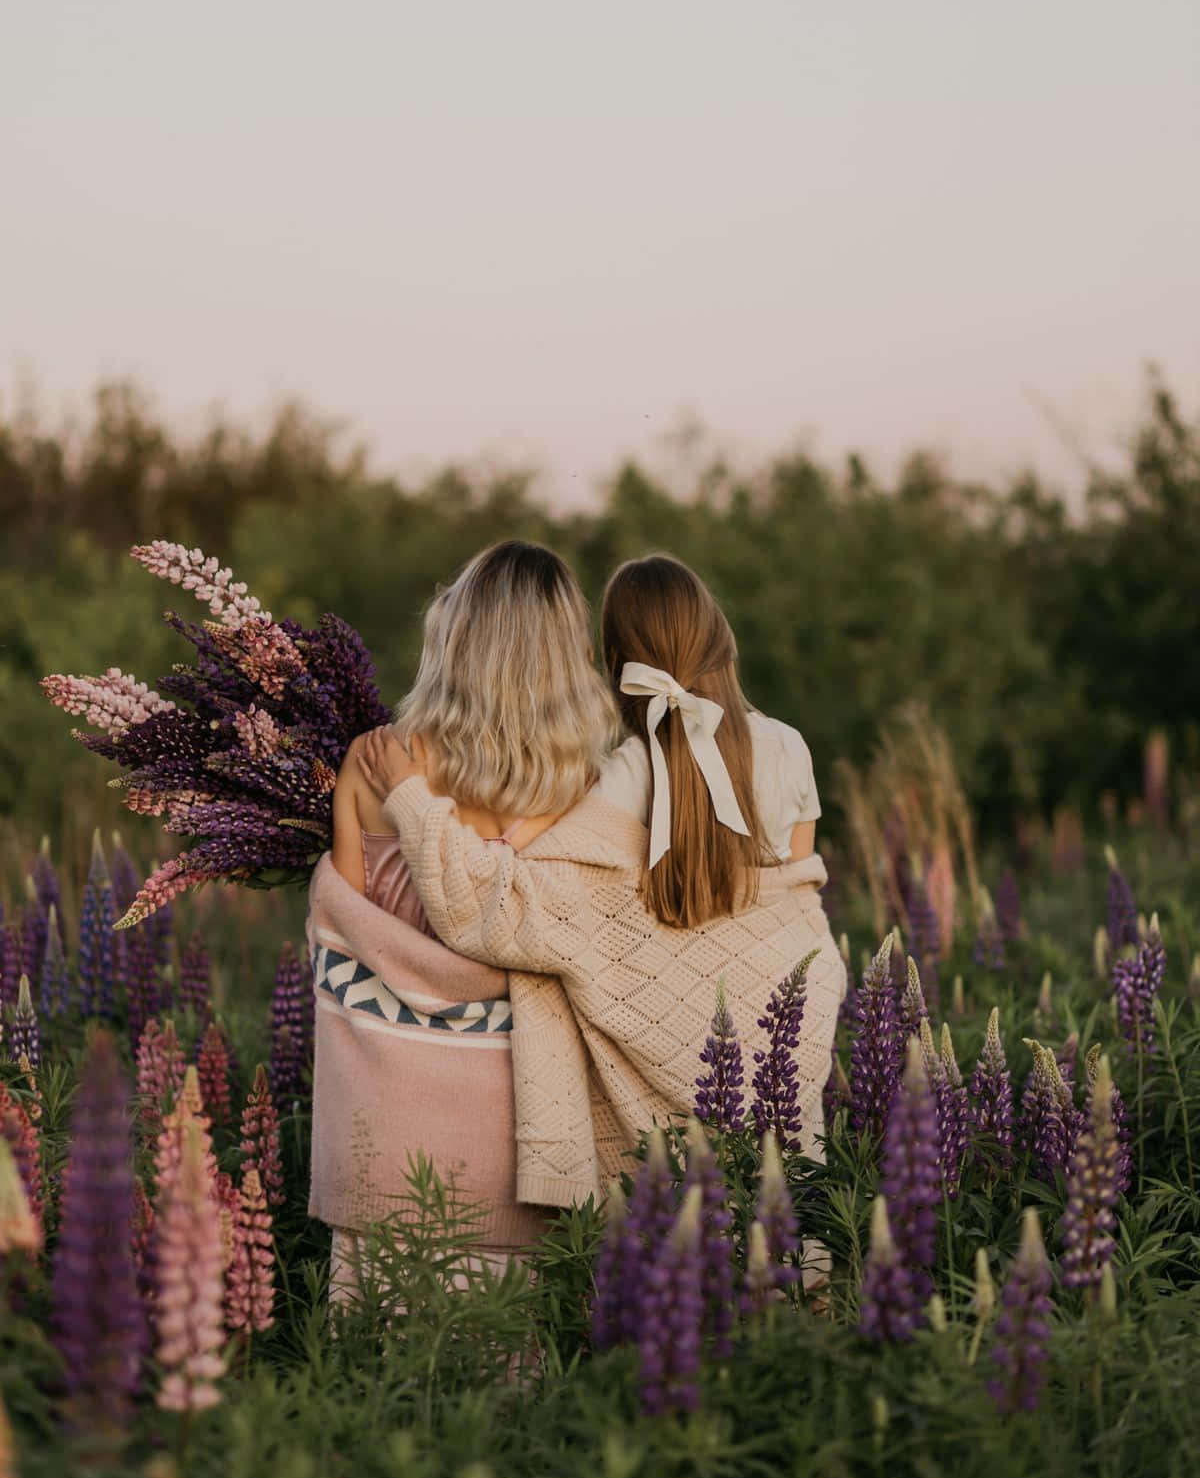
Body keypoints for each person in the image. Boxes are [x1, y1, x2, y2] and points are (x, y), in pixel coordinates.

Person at [358, 552, 845, 1220]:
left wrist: (413, 802)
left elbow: (500, 910)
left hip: (674, 1075)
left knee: (667, 1279)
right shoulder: (791, 747)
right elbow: (791, 908)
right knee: (781, 1270)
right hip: (783, 1056)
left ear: (617, 665)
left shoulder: (625, 774)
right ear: (721, 639)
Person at [309, 540, 618, 1293]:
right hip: (518, 1148)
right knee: (510, 1398)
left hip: (379, 1136)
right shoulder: (587, 789)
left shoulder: (374, 760)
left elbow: (345, 947)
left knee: (373, 1388)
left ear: (456, 635)